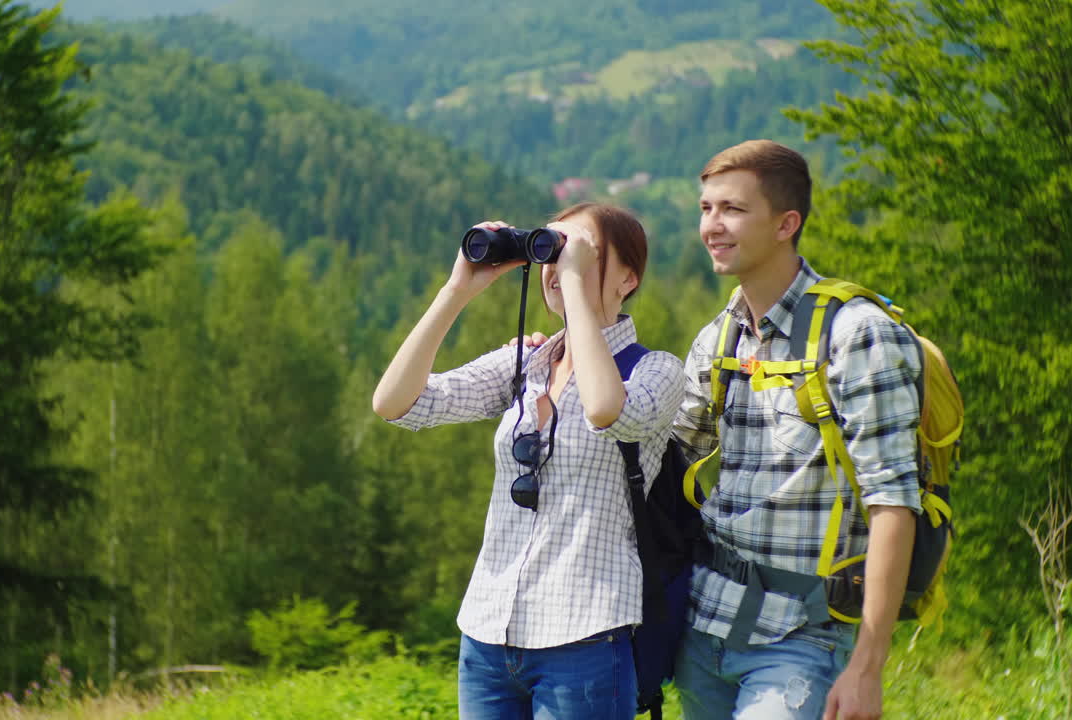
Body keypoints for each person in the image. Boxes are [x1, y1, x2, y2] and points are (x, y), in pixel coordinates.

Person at [372, 202, 685, 719]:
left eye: (580, 253)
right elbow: (397, 404)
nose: (557, 269)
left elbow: (607, 409)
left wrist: (577, 291)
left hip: (584, 637)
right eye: (551, 252)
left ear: (627, 279)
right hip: (488, 632)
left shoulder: (656, 371)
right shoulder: (526, 365)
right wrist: (458, 290)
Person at [671, 140, 922, 720]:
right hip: (704, 628)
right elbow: (671, 460)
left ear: (787, 223)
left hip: (803, 640)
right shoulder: (720, 338)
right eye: (706, 208)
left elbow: (892, 501)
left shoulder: (858, 334)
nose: (712, 226)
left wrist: (867, 666)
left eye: (732, 209)